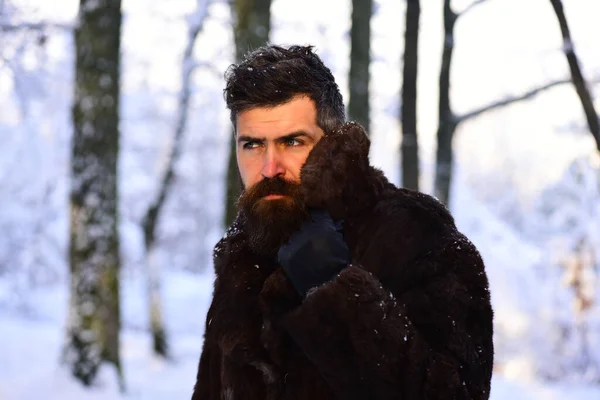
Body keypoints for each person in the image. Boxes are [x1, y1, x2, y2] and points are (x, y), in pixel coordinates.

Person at [191, 44, 493, 400]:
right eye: (253, 145)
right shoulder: (244, 249)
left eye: (292, 141)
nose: (270, 167)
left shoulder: (417, 233)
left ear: (331, 142)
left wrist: (337, 293)